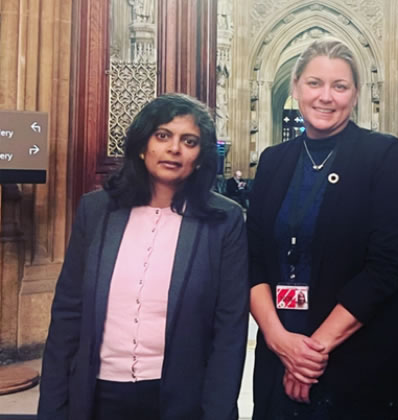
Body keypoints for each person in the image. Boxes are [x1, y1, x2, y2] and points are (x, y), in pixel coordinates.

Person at [37, 93, 249, 420]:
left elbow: (230, 331)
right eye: (162, 135)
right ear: (142, 144)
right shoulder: (96, 211)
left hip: (180, 401)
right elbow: (67, 315)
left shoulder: (224, 220)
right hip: (97, 395)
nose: (174, 149)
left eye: (189, 141)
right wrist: (52, 409)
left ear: (200, 156)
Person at [247, 38, 398, 419]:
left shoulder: (383, 155)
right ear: (295, 87)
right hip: (279, 351)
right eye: (314, 83)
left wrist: (311, 352)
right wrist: (279, 342)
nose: (326, 96)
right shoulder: (273, 161)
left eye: (339, 86)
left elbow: (385, 266)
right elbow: (253, 260)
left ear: (355, 94)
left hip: (354, 356)